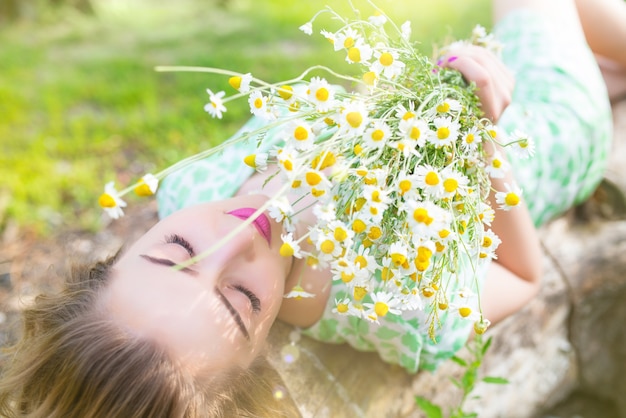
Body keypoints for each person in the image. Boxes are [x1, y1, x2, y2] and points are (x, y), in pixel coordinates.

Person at [0, 0, 621, 416]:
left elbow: (344, 126)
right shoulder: (384, 300)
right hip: (548, 133)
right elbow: (524, 277)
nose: (241, 237)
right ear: (255, 358)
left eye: (178, 252)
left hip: (492, 83)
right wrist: (482, 137)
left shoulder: (189, 187)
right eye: (241, 301)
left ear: (121, 251)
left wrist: (414, 93)